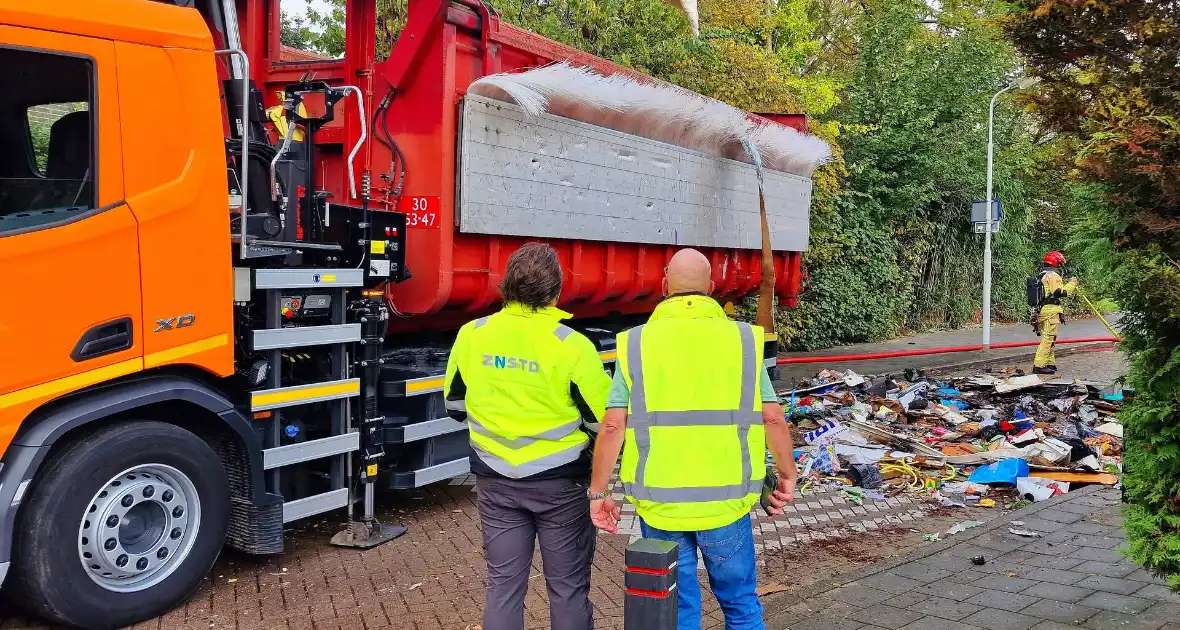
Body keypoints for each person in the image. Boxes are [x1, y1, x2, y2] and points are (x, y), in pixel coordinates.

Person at [586, 248, 798, 630]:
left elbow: (613, 426)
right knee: (741, 605)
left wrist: (599, 493)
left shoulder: (636, 343)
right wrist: (787, 474)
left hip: (660, 506)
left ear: (665, 286)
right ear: (712, 288)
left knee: (677, 611)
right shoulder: (743, 340)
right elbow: (772, 418)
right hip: (726, 504)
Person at [442, 242, 612, 630]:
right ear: (556, 291)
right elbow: (603, 423)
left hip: (495, 478)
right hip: (561, 484)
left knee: (503, 586)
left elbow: (454, 405)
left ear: (506, 286)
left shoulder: (472, 335)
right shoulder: (573, 346)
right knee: (567, 587)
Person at [1033, 250, 1078, 375]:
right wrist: (1072, 284)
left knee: (1050, 338)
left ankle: (1049, 363)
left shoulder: (1042, 274)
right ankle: (1039, 365)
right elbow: (1059, 292)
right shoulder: (1053, 275)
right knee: (1048, 338)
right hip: (1051, 311)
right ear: (1056, 263)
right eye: (1060, 264)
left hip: (1042, 310)